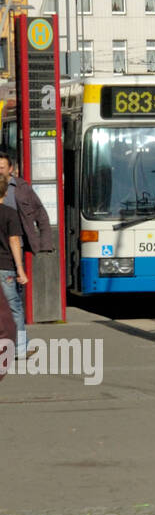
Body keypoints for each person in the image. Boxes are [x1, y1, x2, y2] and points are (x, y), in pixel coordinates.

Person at [0, 150, 51, 357]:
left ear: (11, 169)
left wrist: (44, 242)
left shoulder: (21, 189)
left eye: (2, 167)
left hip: (15, 248)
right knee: (14, 304)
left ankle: (18, 344)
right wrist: (21, 270)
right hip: (9, 252)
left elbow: (41, 214)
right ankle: (19, 347)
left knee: (13, 301)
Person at [0, 172, 30, 359]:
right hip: (5, 267)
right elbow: (14, 241)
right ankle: (19, 349)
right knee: (14, 308)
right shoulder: (10, 214)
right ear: (5, 192)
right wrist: (20, 269)